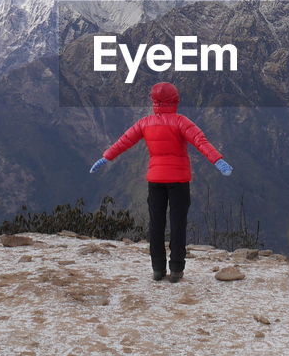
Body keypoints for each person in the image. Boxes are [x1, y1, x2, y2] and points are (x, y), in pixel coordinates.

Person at [90, 81, 232, 282]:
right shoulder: (181, 122)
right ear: (175, 100)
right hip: (179, 180)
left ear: (154, 101)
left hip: (155, 180)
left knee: (156, 224)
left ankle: (157, 269)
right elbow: (201, 142)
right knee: (178, 224)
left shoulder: (144, 123)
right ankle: (176, 270)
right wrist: (218, 161)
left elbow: (124, 141)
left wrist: (106, 157)